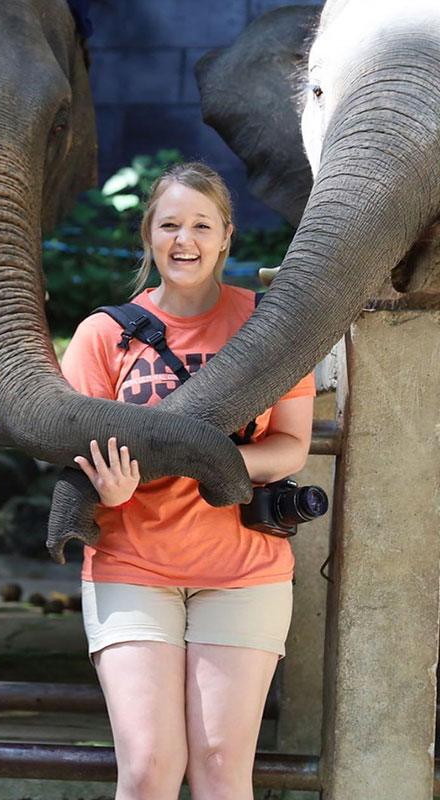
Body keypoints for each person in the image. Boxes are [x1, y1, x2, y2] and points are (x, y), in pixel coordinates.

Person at [61, 162, 315, 800]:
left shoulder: (268, 325)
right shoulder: (103, 335)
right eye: (170, 224)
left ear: (226, 235)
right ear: (148, 234)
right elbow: (74, 448)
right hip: (130, 564)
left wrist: (218, 464)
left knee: (222, 768)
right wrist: (108, 489)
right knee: (149, 766)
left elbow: (291, 445)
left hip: (244, 572)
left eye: (202, 225)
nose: (185, 240)